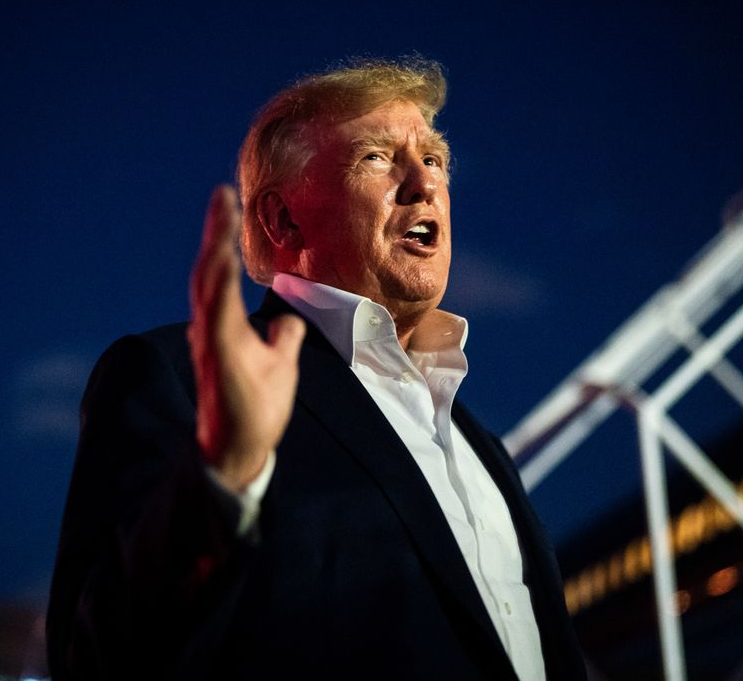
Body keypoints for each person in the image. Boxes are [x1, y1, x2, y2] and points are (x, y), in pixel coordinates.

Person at [46, 58, 586, 680]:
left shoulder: (481, 445)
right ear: (283, 219)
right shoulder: (178, 379)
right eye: (377, 158)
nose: (423, 183)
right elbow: (91, 661)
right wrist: (223, 481)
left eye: (433, 159)